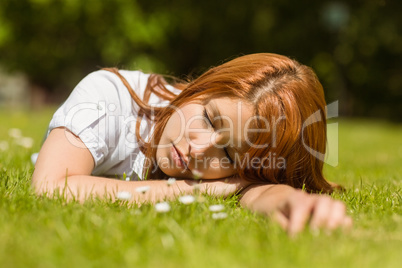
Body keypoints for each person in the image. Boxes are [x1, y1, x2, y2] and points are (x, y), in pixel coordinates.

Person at [32, 53, 352, 235]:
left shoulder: (233, 171)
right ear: (203, 87)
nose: (198, 149)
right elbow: (50, 186)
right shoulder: (108, 98)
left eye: (226, 153)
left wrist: (291, 201)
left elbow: (254, 187)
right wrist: (188, 190)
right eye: (210, 120)